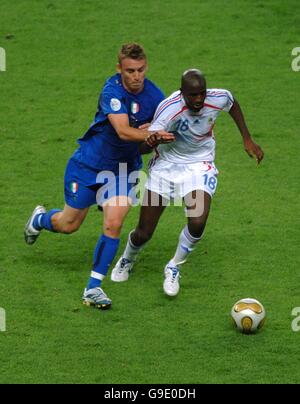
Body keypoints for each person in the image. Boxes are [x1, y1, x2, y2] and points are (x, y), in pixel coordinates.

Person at [24, 43, 175, 309]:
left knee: (114, 223)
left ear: (146, 67)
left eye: (140, 70)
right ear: (120, 69)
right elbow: (123, 131)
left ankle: (93, 288)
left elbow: (142, 144)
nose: (136, 76)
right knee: (68, 224)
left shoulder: (156, 97)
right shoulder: (112, 91)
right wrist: (152, 133)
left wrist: (155, 139)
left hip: (124, 169)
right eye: (130, 71)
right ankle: (40, 219)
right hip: (89, 165)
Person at [111, 68, 264, 297]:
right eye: (193, 95)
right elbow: (142, 148)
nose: (199, 99)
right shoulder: (168, 109)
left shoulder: (218, 97)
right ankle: (127, 259)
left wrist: (247, 139)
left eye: (202, 93)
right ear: (182, 92)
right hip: (166, 167)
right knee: (144, 232)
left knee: (198, 220)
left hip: (199, 165)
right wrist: (152, 139)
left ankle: (174, 266)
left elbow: (232, 105)